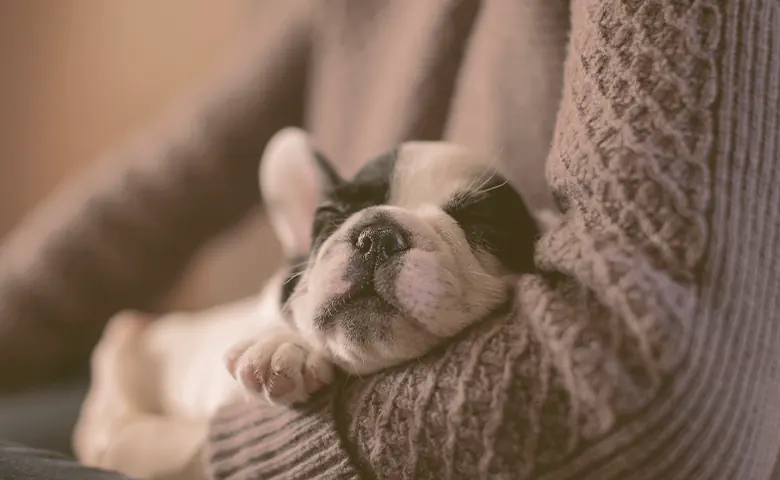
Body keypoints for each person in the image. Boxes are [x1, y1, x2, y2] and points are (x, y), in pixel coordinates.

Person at [1, 0, 779, 479]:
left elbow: (654, 396)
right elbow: (158, 188)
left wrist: (193, 456)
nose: (373, 241)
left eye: (471, 226)